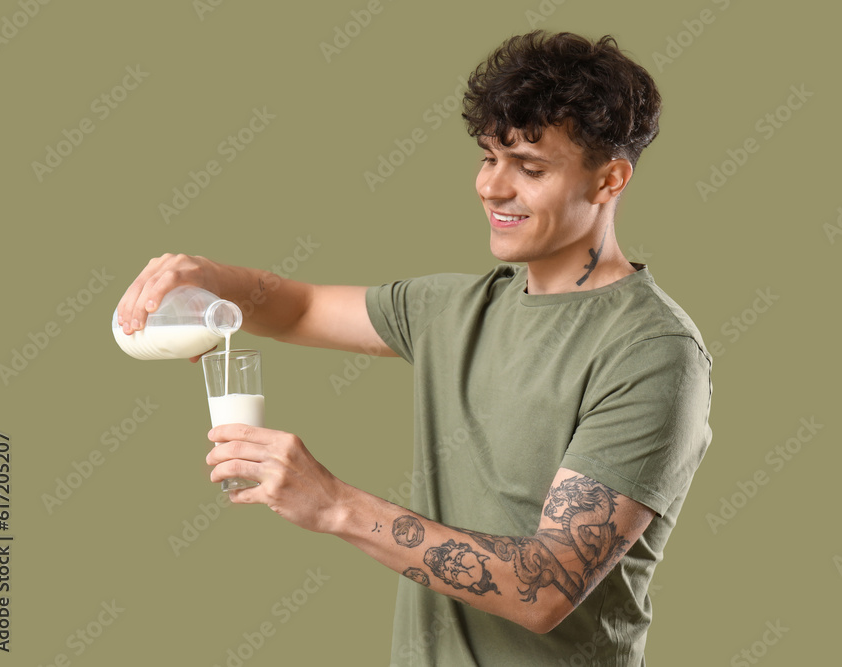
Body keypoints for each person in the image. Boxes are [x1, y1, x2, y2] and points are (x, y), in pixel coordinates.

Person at [116, 31, 713, 666]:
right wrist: (202, 276)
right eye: (489, 158)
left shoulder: (652, 352)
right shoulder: (450, 309)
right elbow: (298, 306)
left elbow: (544, 586)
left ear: (609, 180)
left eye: (530, 168)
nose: (492, 188)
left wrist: (336, 505)